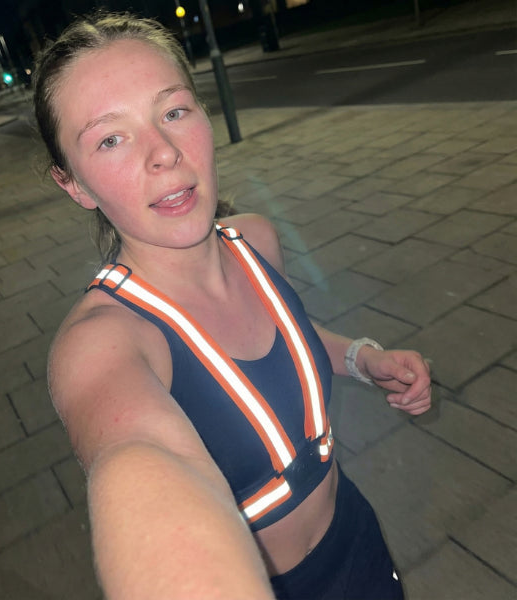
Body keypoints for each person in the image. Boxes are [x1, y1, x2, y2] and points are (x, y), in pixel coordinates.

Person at [33, 12, 432, 600]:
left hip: (358, 541)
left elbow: (290, 334)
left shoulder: (256, 240)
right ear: (74, 184)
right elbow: (134, 460)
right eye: (110, 139)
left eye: (173, 112)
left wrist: (362, 360)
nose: (164, 152)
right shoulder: (101, 342)